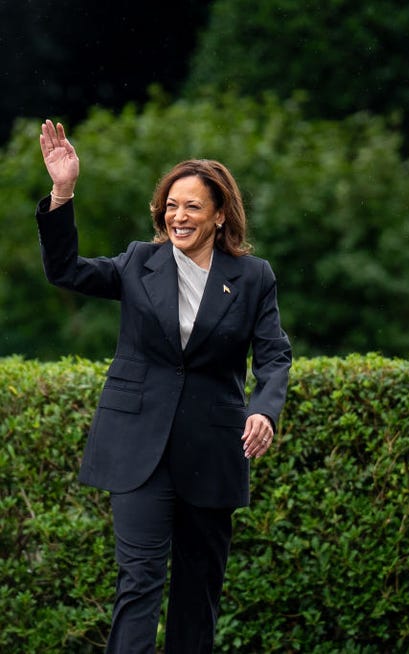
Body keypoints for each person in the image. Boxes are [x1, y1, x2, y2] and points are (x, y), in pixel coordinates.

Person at [36, 120, 292, 653]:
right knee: (139, 581)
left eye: (193, 206)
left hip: (212, 449)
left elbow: (274, 355)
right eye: (171, 205)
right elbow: (65, 271)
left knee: (199, 593)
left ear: (220, 215)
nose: (178, 216)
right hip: (137, 447)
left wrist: (264, 410)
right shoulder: (138, 262)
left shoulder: (253, 277)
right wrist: (63, 192)